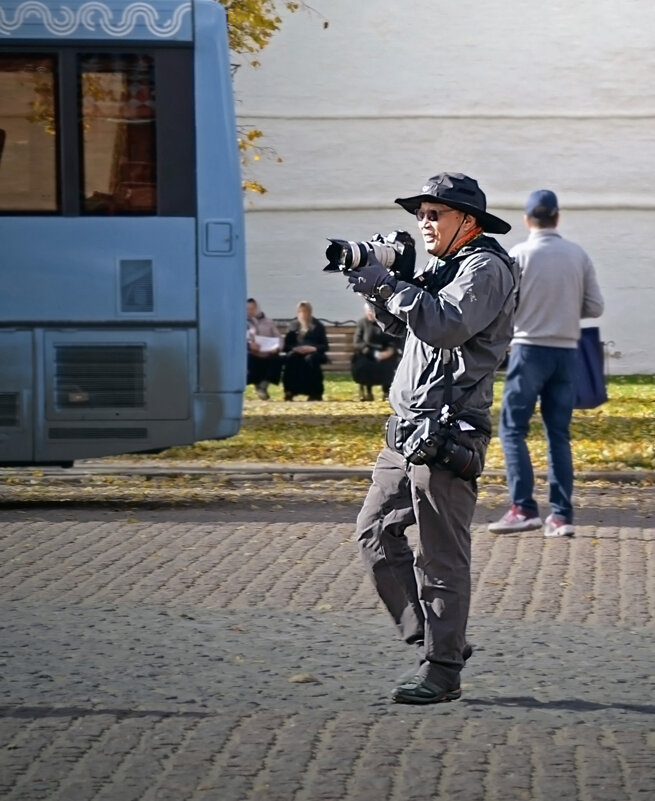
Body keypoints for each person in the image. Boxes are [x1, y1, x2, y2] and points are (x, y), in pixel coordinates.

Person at [346, 172, 518, 705]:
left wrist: (390, 284)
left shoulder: (485, 268)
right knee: (374, 534)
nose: (423, 222)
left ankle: (442, 670)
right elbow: (409, 330)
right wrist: (379, 283)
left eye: (433, 213)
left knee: (441, 558)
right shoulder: (445, 267)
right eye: (419, 213)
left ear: (468, 221)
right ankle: (440, 640)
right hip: (405, 430)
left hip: (447, 432)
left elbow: (445, 326)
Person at [489, 189, 604, 538]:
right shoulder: (577, 255)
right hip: (567, 353)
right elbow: (595, 307)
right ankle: (561, 516)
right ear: (557, 217)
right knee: (558, 435)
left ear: (527, 219)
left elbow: (504, 305)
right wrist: (565, 311)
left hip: (528, 349)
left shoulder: (519, 255)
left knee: (512, 429)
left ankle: (523, 508)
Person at [351, 302, 401, 401]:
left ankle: (386, 391)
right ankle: (367, 391)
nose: (371, 314)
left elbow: (395, 339)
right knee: (365, 364)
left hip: (386, 352)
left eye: (372, 311)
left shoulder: (387, 322)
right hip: (368, 353)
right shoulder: (362, 323)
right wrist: (370, 352)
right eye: (369, 311)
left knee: (388, 365)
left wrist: (390, 351)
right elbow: (357, 342)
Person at [282, 301, 329, 401]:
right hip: (297, 352)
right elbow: (286, 346)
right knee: (291, 358)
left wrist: (313, 348)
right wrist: (295, 348)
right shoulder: (293, 325)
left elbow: (325, 346)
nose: (303, 314)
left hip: (314, 353)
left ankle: (315, 393)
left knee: (310, 359)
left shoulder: (318, 326)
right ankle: (290, 391)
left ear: (310, 312)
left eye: (306, 312)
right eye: (301, 312)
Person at [246, 298, 283, 400]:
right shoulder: (243, 322)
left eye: (252, 308)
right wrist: (249, 345)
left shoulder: (268, 322)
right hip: (252, 353)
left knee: (276, 359)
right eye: (248, 309)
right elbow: (239, 339)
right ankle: (258, 386)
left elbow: (278, 338)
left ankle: (263, 386)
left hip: (268, 352)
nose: (250, 311)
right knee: (248, 359)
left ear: (257, 308)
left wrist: (277, 347)